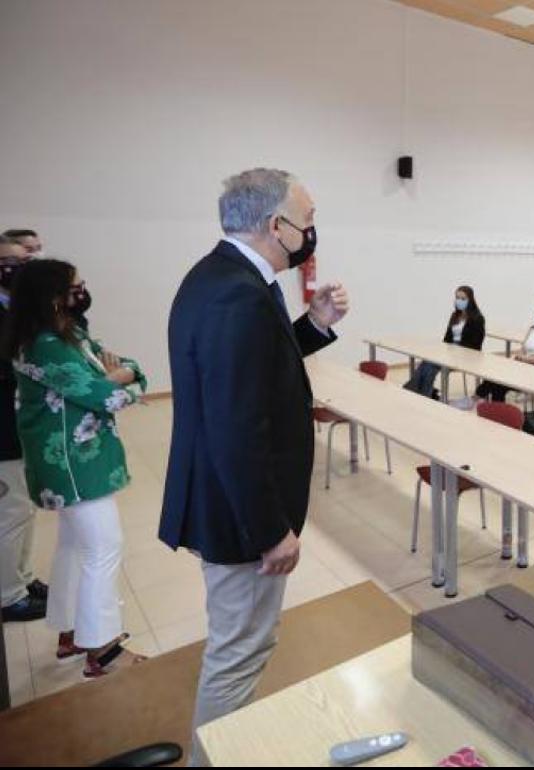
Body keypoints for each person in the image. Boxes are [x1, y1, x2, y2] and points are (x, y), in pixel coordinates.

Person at [160, 169, 349, 760]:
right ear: (276, 225)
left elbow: (259, 367)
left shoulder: (225, 276)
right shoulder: (238, 293)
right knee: (240, 652)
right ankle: (214, 756)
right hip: (238, 514)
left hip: (220, 497)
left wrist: (314, 325)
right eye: (308, 220)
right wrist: (271, 531)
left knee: (239, 644)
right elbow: (237, 428)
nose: (312, 231)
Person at [5, 259, 148, 675]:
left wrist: (121, 373)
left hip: (80, 458)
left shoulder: (68, 334)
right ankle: (102, 650)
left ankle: (72, 629)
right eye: (75, 286)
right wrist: (124, 378)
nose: (82, 292)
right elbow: (107, 395)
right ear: (52, 297)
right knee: (104, 547)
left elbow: (122, 367)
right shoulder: (44, 346)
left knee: (75, 545)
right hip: (70, 464)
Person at [0, 236, 46, 623]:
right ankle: (8, 595)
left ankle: (22, 578)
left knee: (23, 509)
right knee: (11, 512)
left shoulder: (16, 311)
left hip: (19, 428)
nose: (21, 267)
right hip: (2, 433)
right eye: (13, 261)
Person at [477, 301, 534, 402]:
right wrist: (517, 360)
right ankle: (489, 406)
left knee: (499, 383)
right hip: (526, 366)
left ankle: (477, 398)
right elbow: (523, 349)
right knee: (496, 375)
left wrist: (521, 359)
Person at [405, 286, 485, 399]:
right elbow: (447, 339)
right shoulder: (455, 315)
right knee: (427, 363)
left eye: (463, 298)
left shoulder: (478, 318)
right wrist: (445, 350)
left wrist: (456, 349)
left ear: (470, 300)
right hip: (451, 351)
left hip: (466, 355)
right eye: (457, 298)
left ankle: (415, 393)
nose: (459, 301)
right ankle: (422, 395)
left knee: (429, 364)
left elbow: (476, 345)